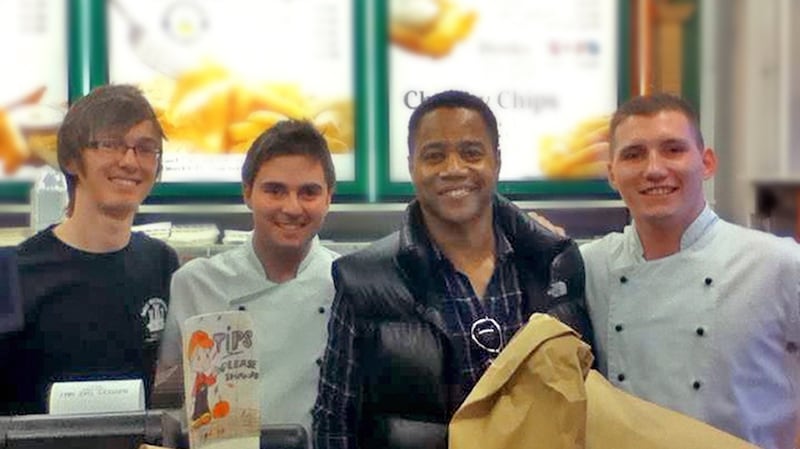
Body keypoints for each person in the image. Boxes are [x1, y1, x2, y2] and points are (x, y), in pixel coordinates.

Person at [313, 90, 593, 449]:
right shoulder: (364, 280)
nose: (454, 168)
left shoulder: (554, 264)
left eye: (471, 152)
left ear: (497, 161)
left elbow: (586, 396)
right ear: (412, 166)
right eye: (434, 155)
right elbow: (334, 423)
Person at [580, 93, 800, 449]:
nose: (654, 169)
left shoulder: (778, 263)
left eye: (673, 149)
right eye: (634, 154)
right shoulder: (590, 267)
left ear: (707, 162)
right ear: (612, 174)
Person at [0, 84, 179, 414]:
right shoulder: (12, 274)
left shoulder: (161, 264)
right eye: (110, 144)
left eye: (145, 148)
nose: (129, 161)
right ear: (70, 159)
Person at [158, 120, 338, 438]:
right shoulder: (194, 283)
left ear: (328, 198)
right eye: (275, 190)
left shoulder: (348, 285)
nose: (292, 207)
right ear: (247, 193)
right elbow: (164, 385)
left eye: (309, 192)